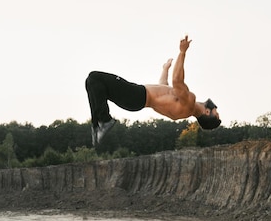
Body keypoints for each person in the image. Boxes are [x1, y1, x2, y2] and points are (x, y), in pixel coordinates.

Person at [85, 35, 221, 146]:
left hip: (137, 96)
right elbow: (164, 87)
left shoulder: (189, 102)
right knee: (92, 83)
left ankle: (105, 120)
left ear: (207, 112)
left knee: (94, 78)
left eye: (217, 114)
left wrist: (182, 52)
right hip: (136, 101)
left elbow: (177, 81)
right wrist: (165, 69)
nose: (216, 109)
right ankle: (97, 125)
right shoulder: (182, 109)